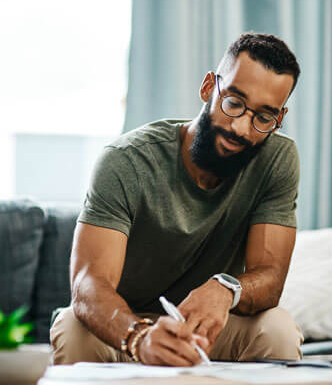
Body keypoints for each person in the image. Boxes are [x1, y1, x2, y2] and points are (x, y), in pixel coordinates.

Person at [51, 32, 304, 366]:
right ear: (208, 88)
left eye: (263, 117)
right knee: (73, 327)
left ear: (279, 119)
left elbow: (270, 276)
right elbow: (88, 284)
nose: (242, 128)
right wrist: (138, 337)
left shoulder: (276, 159)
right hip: (125, 325)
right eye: (234, 103)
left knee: (278, 328)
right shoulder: (125, 160)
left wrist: (226, 288)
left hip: (206, 329)